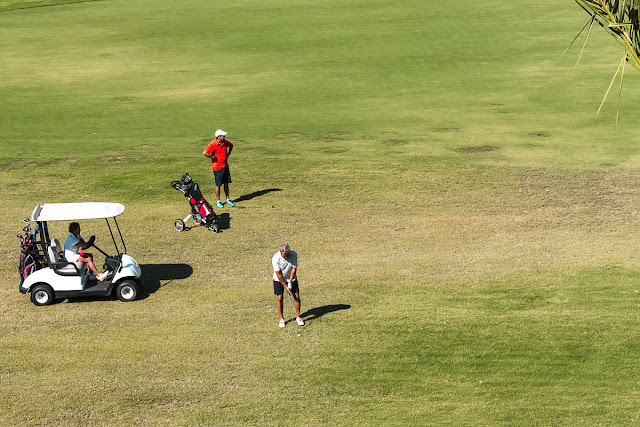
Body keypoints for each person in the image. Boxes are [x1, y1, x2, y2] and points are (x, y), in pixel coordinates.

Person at [272, 243, 304, 328]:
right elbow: (278, 274)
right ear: (281, 253)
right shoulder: (276, 258)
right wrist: (285, 286)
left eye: (287, 255)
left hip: (291, 278)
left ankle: (298, 317)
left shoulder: (293, 253)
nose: (286, 258)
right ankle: (281, 319)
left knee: (296, 296)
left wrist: (289, 283)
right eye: (284, 256)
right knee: (280, 298)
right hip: (279, 280)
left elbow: (294, 269)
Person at [203, 129, 235, 208]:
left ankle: (227, 199)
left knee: (226, 183)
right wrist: (213, 156)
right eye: (223, 136)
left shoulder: (225, 142)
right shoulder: (213, 144)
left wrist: (228, 153)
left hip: (225, 166)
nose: (224, 137)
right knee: (218, 185)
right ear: (218, 136)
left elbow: (231, 145)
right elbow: (205, 153)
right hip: (217, 168)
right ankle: (218, 201)